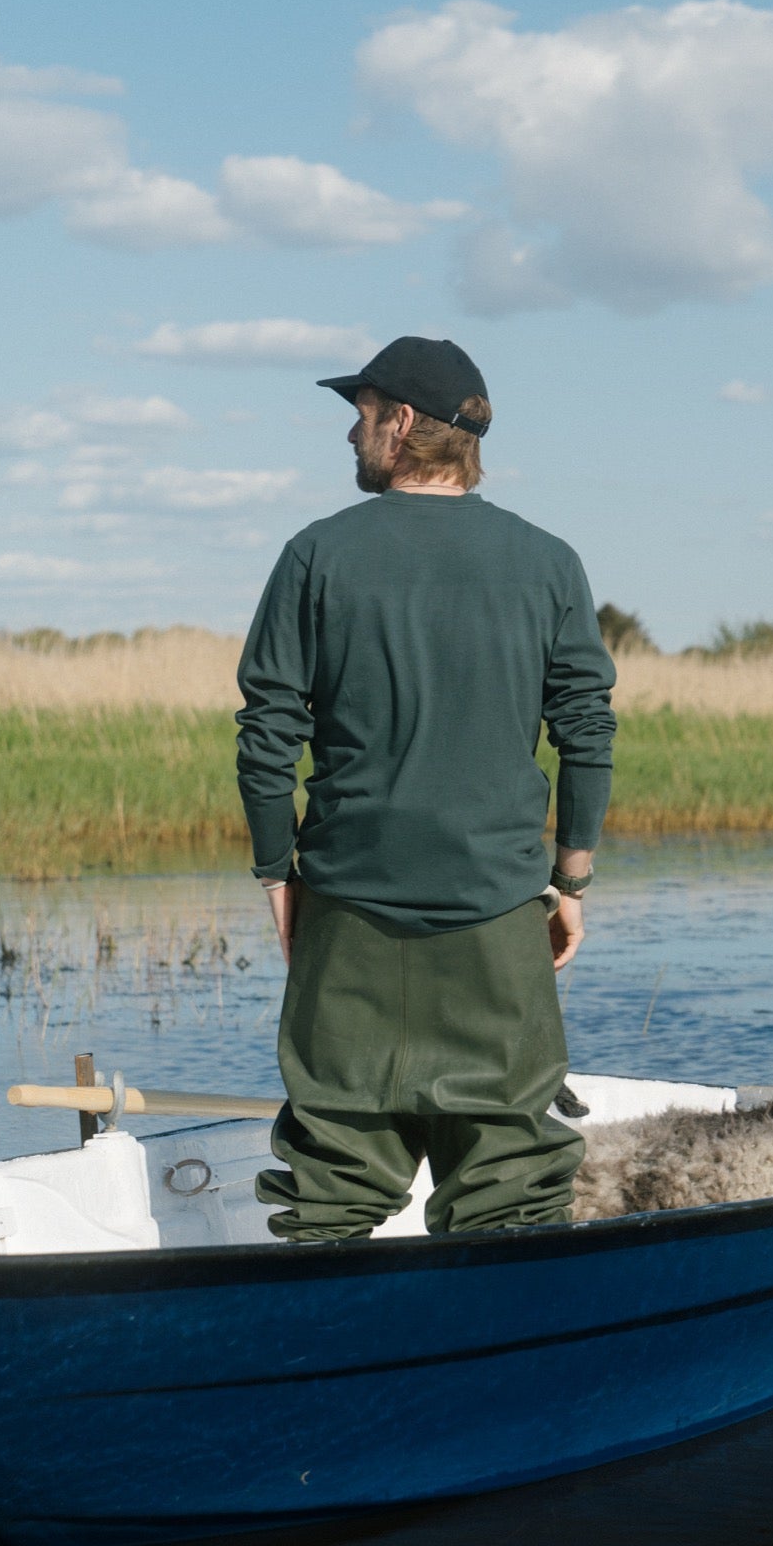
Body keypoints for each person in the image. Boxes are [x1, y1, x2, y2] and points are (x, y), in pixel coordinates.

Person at [235, 335, 616, 1242]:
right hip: (496, 912)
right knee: (508, 1188)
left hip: (347, 910)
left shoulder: (315, 554)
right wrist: (569, 880)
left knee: (331, 1184)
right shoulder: (548, 561)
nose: (352, 433)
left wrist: (277, 875)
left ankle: (322, 1329)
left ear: (402, 422)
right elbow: (586, 730)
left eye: (363, 414)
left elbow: (267, 731)